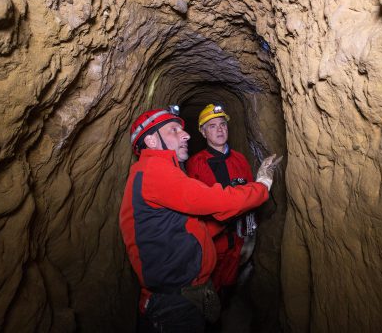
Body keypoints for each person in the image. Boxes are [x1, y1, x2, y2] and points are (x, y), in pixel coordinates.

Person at [119, 106, 281, 333]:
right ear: (152, 141)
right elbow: (213, 200)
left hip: (184, 294)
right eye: (174, 130)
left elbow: (191, 225)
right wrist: (261, 186)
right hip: (172, 304)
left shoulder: (159, 171)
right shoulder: (154, 171)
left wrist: (233, 224)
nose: (185, 134)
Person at [186, 104, 258, 305]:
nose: (220, 129)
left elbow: (251, 196)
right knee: (210, 291)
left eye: (223, 124)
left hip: (238, 239)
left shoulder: (240, 159)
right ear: (202, 132)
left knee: (229, 286)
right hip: (213, 242)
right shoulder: (196, 163)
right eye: (212, 126)